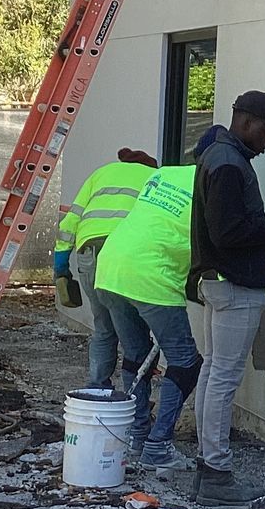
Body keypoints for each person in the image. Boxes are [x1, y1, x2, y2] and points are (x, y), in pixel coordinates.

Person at [186, 90, 265, 505]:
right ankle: (215, 472)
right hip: (234, 284)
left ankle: (207, 467)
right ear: (246, 122)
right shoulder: (230, 165)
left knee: (213, 372)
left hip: (218, 282)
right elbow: (229, 233)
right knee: (223, 378)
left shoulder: (216, 156)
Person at [94, 164, 200, 473]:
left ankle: (138, 434)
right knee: (186, 362)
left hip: (111, 267)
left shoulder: (164, 174)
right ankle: (158, 446)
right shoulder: (215, 186)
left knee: (136, 355)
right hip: (151, 276)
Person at [52, 148, 158, 391]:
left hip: (88, 253)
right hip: (123, 257)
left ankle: (97, 391)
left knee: (104, 327)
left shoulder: (101, 174)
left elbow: (70, 222)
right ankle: (135, 404)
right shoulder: (154, 178)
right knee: (134, 334)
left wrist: (61, 268)